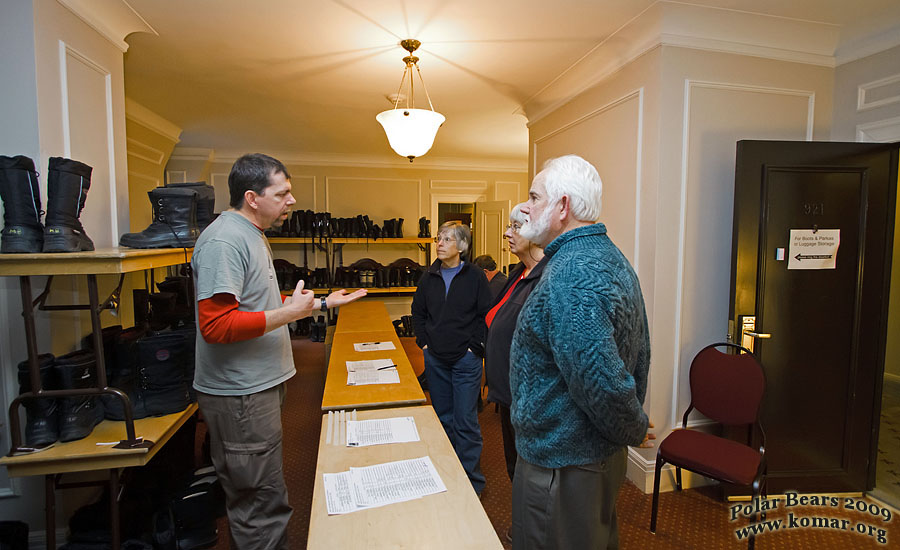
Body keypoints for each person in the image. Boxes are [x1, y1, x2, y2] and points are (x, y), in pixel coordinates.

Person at [191, 153, 365, 549]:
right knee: (259, 504)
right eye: (283, 192)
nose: (292, 200)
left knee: (264, 493)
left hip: (256, 388)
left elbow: (254, 304)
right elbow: (216, 325)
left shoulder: (251, 234)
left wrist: (320, 304)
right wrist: (288, 313)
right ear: (252, 197)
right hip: (241, 395)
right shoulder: (225, 240)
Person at [510, 155, 650, 549]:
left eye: (534, 197)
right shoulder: (601, 254)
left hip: (564, 465)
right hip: (582, 457)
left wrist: (633, 426)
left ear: (563, 207)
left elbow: (600, 379)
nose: (526, 207)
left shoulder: (573, 273)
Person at [411, 220, 492, 495]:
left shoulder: (476, 276)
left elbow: (485, 315)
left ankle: (471, 484)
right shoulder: (428, 276)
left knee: (465, 421)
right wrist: (423, 343)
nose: (440, 244)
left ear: (462, 246)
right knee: (443, 418)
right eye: (438, 239)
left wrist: (474, 348)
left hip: (465, 360)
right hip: (435, 359)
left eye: (447, 240)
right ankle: (448, 475)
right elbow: (418, 313)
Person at [484, 205, 546, 486]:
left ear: (537, 232)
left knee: (531, 475)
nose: (507, 233)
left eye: (516, 227)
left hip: (529, 399)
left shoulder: (546, 277)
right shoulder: (518, 273)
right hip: (509, 395)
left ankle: (531, 529)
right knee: (516, 469)